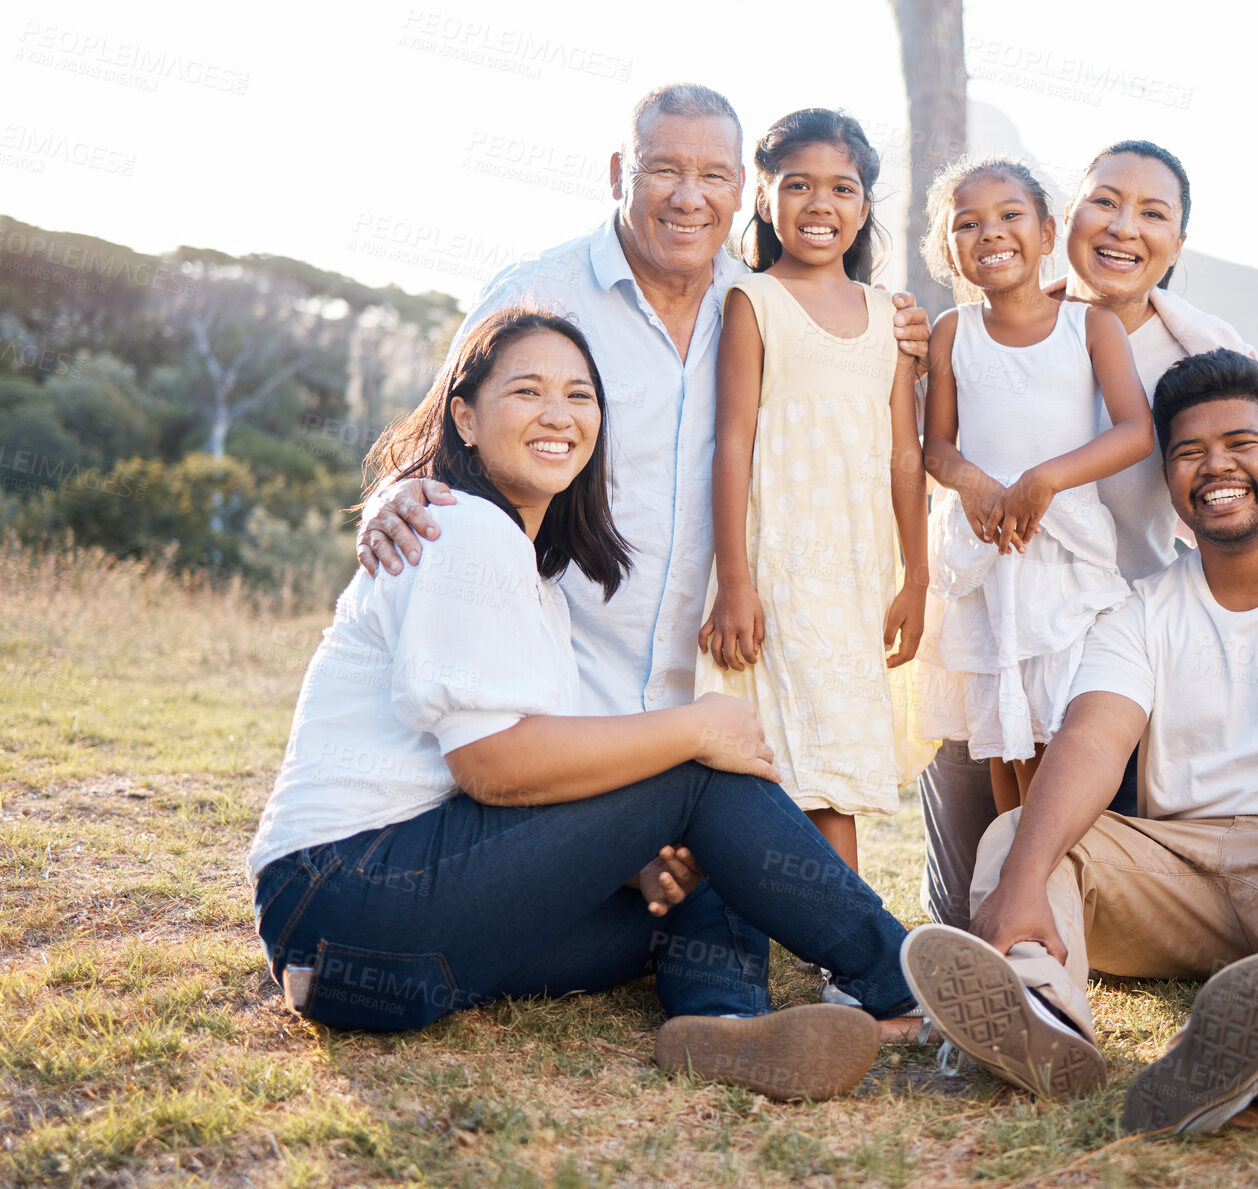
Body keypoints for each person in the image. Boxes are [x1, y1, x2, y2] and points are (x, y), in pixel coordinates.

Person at [352, 84, 930, 1021]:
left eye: (711, 175)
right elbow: (437, 441)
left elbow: (866, 394)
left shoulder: (765, 306)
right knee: (697, 827)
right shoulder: (539, 291)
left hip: (705, 695)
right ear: (622, 174)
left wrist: (912, 332)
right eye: (663, 169)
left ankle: (727, 1028)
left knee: (715, 876)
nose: (686, 196)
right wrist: (389, 496)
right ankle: (900, 981)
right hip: (561, 722)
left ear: (740, 189)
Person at [250, 309, 921, 1102]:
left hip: (369, 958)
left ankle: (729, 1025)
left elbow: (534, 777)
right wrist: (696, 727)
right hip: (351, 884)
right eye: (526, 391)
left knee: (699, 872)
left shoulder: (532, 576)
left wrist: (632, 861)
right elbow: (493, 767)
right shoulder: (463, 532)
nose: (559, 414)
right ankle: (906, 981)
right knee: (699, 767)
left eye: (580, 395)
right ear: (463, 416)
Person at [901, 349, 1258, 1132]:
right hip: (1183, 866)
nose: (1215, 466)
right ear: (1170, 482)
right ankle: (1040, 1011)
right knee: (1025, 835)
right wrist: (1024, 877)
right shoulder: (1142, 611)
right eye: (1189, 453)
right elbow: (1092, 740)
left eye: (1240, 444)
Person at [916, 140, 1258, 933]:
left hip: (1124, 628)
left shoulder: (1204, 350)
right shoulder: (1009, 318)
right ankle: (982, 945)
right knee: (977, 867)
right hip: (1002, 605)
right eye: (1105, 201)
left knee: (1082, 819)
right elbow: (938, 433)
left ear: (1178, 242)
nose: (1123, 226)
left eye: (1152, 213)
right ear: (1066, 218)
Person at [699, 109, 932, 875]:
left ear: (866, 207)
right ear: (764, 197)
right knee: (769, 743)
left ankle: (843, 948)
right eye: (797, 185)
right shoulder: (753, 300)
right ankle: (752, 923)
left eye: (842, 187)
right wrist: (735, 579)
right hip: (776, 561)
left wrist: (916, 574)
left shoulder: (888, 316)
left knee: (835, 757)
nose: (820, 204)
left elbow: (906, 452)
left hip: (858, 567)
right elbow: (732, 440)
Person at [913, 157, 1153, 813]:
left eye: (1009, 216)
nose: (990, 233)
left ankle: (1060, 888)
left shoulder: (1089, 327)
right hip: (989, 563)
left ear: (1048, 235)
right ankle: (1010, 890)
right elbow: (936, 446)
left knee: (1066, 736)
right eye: (968, 224)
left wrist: (1045, 480)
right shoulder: (953, 332)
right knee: (1006, 741)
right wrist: (972, 482)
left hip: (1064, 562)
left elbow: (1135, 430)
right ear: (951, 251)